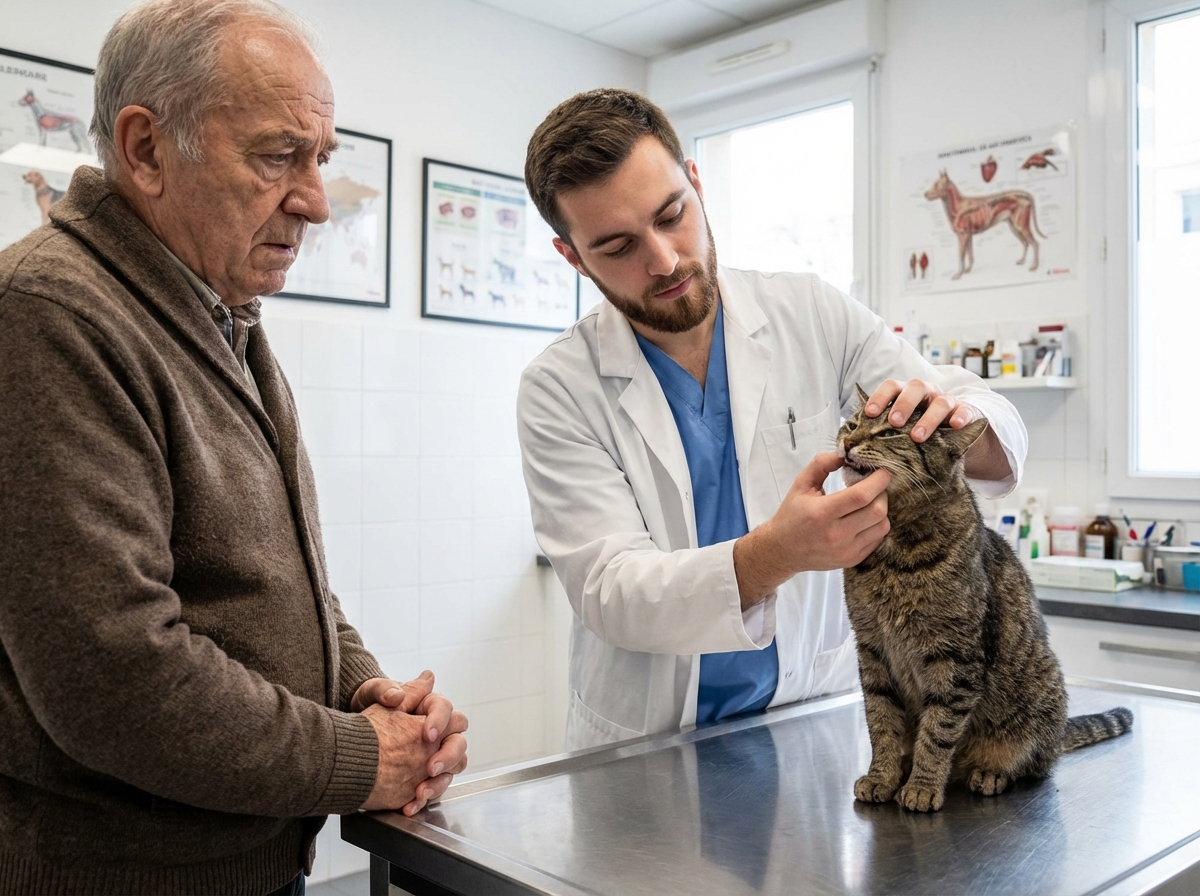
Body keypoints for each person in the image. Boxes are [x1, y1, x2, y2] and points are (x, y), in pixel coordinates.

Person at [0, 1, 467, 892]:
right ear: (145, 150)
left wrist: (366, 693)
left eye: (320, 158)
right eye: (276, 155)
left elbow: (275, 574)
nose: (318, 202)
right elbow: (112, 677)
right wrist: (364, 759)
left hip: (245, 861)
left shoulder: (221, 315)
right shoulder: (48, 314)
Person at [517, 89, 1027, 752]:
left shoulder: (813, 313)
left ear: (697, 184)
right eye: (617, 247)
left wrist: (955, 423)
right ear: (572, 257)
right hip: (647, 747)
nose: (664, 260)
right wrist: (778, 553)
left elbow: (982, 419)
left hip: (811, 719)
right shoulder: (559, 388)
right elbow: (613, 592)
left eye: (673, 215)